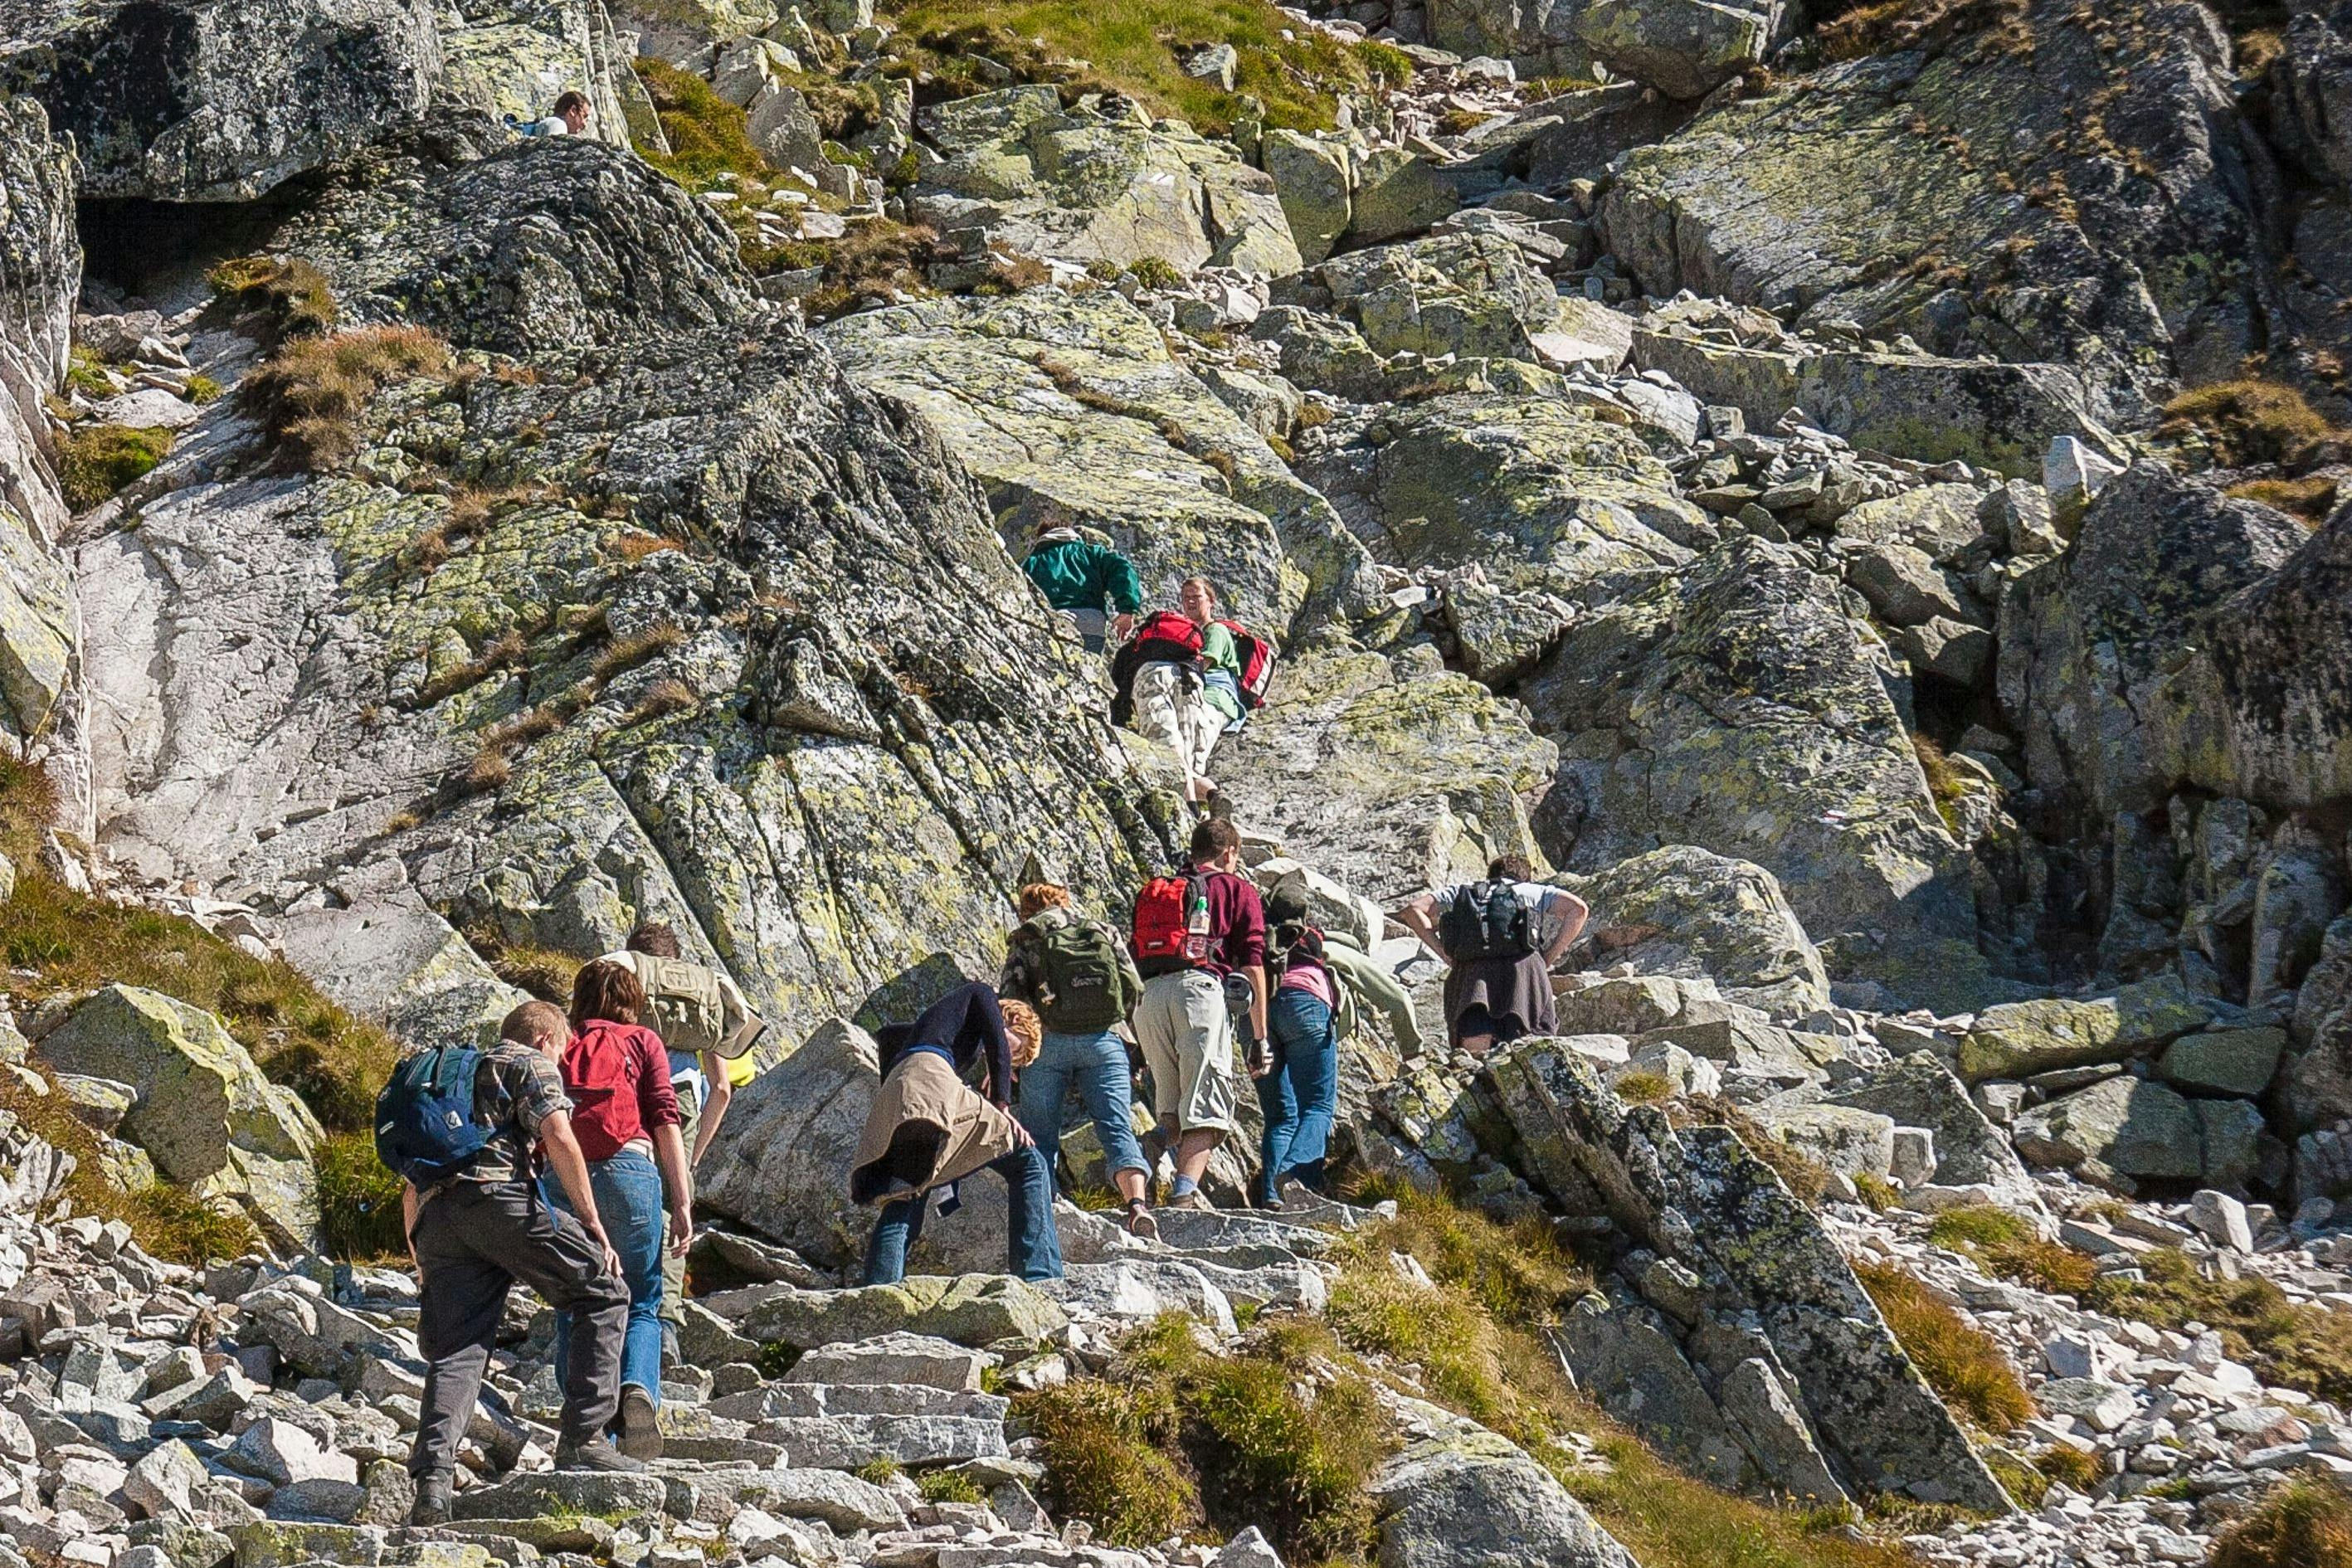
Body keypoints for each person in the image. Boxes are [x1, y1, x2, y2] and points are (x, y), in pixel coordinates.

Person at [402, 1001, 640, 1527]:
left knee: (459, 1350)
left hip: (438, 1217)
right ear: (544, 1040)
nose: (563, 1064)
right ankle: (584, 1438)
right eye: (563, 1052)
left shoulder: (454, 1079)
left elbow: (413, 1179)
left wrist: (423, 1256)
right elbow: (559, 1136)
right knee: (603, 1288)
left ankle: (434, 1484)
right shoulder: (527, 1061)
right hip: (500, 1202)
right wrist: (592, 1223)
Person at [595, 922, 767, 1370]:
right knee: (672, 1211)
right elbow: (723, 1088)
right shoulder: (701, 995)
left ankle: (609, 1311)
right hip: (683, 1100)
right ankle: (664, 1325)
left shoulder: (625, 979)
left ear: (636, 954)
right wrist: (688, 1161)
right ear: (677, 958)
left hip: (626, 1092)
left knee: (617, 1192)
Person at [547, 961, 693, 1463]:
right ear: (635, 1001)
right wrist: (682, 1201)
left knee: (576, 1299)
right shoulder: (644, 1041)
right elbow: (666, 1122)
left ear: (579, 1000)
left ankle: (590, 1428)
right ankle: (636, 1388)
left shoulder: (560, 1043)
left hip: (566, 1178)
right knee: (644, 1299)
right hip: (631, 1172)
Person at [850, 982, 1064, 1284]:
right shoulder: (982, 994)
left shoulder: (942, 1024)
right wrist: (1002, 1106)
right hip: (931, 1080)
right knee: (1029, 1162)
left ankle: (878, 1289)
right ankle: (1041, 1275)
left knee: (906, 1194)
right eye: (1017, 1050)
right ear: (1015, 1020)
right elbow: (996, 1042)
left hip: (900, 1094)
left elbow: (889, 1036)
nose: (1009, 1060)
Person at [999, 882, 1155, 1239]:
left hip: (1047, 1045)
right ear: (1064, 900)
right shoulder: (1100, 930)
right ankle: (1137, 1207)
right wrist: (1117, 1024)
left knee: (1039, 1135)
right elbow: (1133, 985)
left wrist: (1015, 1056)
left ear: (1027, 909)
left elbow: (1011, 1001)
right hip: (1105, 1040)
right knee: (1116, 1126)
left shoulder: (1026, 938)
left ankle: (1044, 1216)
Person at [1131, 817, 1266, 1211]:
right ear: (1230, 852)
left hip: (1150, 997)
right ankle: (1184, 1196)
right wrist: (1260, 1037)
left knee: (1172, 1109)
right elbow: (1254, 965)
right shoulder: (1236, 889)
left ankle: (1154, 1141)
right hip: (1199, 994)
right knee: (1207, 1108)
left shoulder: (1164, 891)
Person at [1397, 855, 1588, 1057]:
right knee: (1529, 1047)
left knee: (1473, 1051)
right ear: (1525, 878)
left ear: (1489, 876)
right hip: (1523, 971)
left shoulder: (1464, 892)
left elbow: (1413, 909)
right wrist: (1548, 957)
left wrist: (1444, 953)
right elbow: (1578, 909)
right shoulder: (1531, 891)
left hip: (1471, 974)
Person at [1127, 577, 1243, 806]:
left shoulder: (1216, 630)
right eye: (1185, 597)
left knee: (1183, 758)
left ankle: (1200, 808)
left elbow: (1204, 664)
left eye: (1196, 596)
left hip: (1214, 699)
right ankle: (1212, 798)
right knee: (1182, 762)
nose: (1190, 601)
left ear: (1211, 601)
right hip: (1197, 692)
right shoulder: (1191, 633)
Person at [1254, 916, 1340, 1210]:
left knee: (1279, 1115)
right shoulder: (1311, 939)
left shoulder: (1261, 937)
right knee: (1317, 1106)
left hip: (1260, 1012)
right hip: (1307, 1004)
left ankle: (1272, 1197)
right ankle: (1293, 1176)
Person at [1022, 513, 1141, 653]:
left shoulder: (1033, 561)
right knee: (1088, 671)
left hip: (1052, 619)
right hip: (1091, 620)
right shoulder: (1092, 553)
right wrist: (1127, 609)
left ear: (1042, 537)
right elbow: (1122, 568)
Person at [521, 90, 592, 137]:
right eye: (584, 116)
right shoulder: (558, 125)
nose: (585, 125)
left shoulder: (551, 122)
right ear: (573, 111)